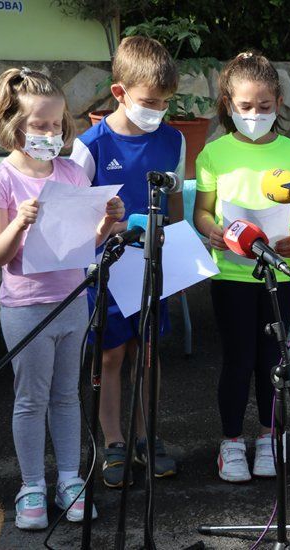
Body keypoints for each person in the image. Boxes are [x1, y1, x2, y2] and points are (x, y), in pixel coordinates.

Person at [0, 67, 123, 529]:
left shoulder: (71, 171)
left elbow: (89, 241)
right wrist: (20, 221)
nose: (50, 133)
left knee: (66, 396)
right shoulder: (1, 181)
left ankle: (69, 480)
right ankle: (31, 485)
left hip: (73, 300)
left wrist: (108, 220)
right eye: (38, 125)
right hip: (25, 307)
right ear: (11, 124)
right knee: (30, 399)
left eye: (56, 124)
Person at [70, 36, 184, 487]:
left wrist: (171, 244)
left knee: (149, 354)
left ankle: (146, 438)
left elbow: (172, 201)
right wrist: (117, 229)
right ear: (119, 92)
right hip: (108, 268)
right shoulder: (90, 146)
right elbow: (76, 222)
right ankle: (113, 441)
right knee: (111, 355)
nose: (157, 111)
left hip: (153, 265)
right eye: (148, 102)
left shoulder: (172, 139)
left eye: (165, 103)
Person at [194, 51, 290, 483]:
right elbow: (202, 211)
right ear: (228, 104)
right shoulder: (214, 154)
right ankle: (230, 443)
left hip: (280, 275)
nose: (255, 115)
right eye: (245, 107)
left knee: (272, 362)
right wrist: (214, 230)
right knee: (237, 361)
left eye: (264, 106)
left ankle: (268, 438)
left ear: (278, 102)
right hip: (232, 275)